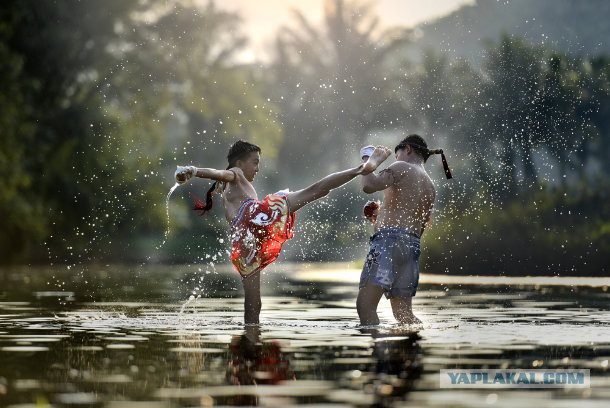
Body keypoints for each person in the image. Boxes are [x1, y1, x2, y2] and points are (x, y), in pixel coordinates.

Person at [175, 140, 391, 324]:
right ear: (239, 162)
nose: (258, 169)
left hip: (244, 242)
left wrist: (199, 175)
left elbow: (220, 179)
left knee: (253, 303)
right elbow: (219, 172)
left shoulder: (230, 186)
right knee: (316, 190)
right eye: (255, 162)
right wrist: (194, 171)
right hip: (256, 217)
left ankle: (251, 341)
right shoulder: (236, 172)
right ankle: (362, 168)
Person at [357, 134, 450, 325]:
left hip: (388, 242)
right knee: (404, 315)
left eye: (396, 155)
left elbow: (369, 185)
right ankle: (411, 352)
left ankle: (375, 353)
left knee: (365, 307)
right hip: (411, 248)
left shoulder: (402, 167)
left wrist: (368, 157)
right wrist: (377, 218)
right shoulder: (430, 185)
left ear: (407, 149)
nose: (395, 160)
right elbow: (416, 226)